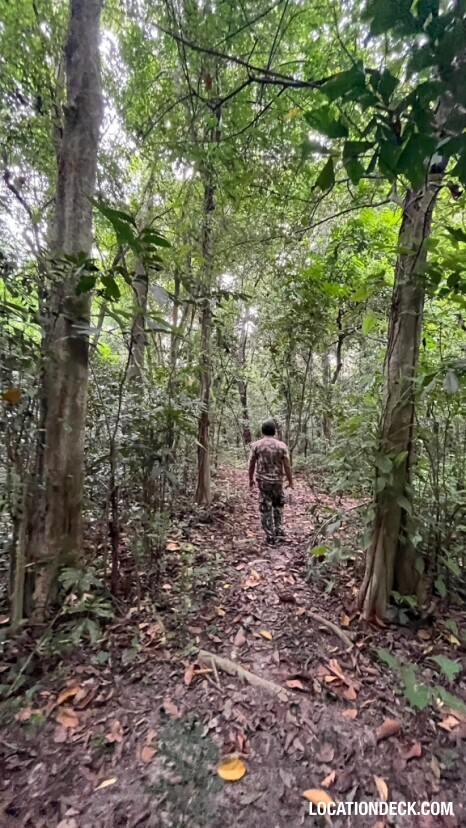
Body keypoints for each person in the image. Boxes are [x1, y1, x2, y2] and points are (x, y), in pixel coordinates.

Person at [248, 421, 293, 545]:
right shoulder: (282, 446)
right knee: (278, 505)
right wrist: (290, 481)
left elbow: (251, 463)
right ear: (275, 431)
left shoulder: (256, 445)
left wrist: (250, 479)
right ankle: (279, 530)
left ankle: (270, 536)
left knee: (265, 507)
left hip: (263, 481)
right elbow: (287, 465)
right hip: (278, 481)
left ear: (262, 431)